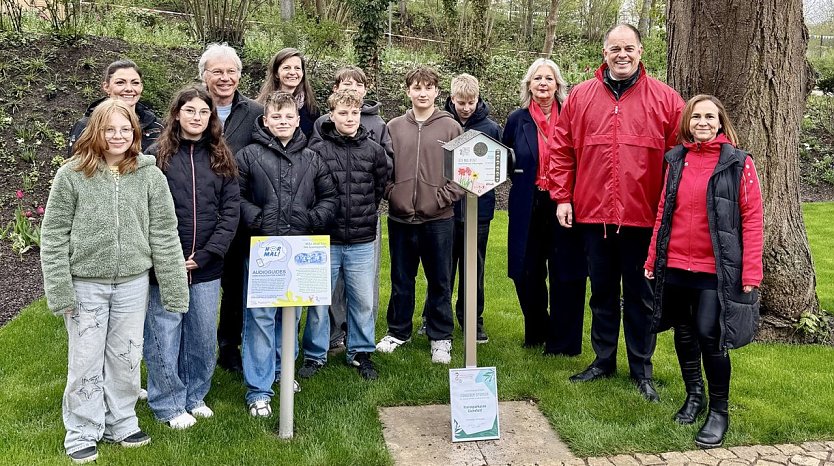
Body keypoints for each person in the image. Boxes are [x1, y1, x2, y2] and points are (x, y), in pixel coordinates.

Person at [40, 99, 189, 464]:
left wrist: (174, 287)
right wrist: (60, 288)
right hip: (85, 284)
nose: (118, 136)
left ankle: (121, 421)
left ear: (135, 133)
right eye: (110, 130)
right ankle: (82, 429)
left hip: (132, 284)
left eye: (125, 129)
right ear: (96, 132)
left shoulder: (150, 176)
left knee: (126, 356)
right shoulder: (72, 175)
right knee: (86, 358)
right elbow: (54, 234)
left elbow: (164, 233)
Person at [548, 24, 685, 401]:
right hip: (594, 215)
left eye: (628, 48)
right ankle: (603, 360)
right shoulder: (580, 96)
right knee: (602, 293)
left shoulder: (666, 100)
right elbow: (562, 149)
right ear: (604, 53)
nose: (621, 55)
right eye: (615, 49)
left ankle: (642, 369)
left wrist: (670, 209)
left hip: (644, 216)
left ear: (640, 52)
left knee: (641, 296)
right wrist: (563, 197)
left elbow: (679, 158)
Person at [644, 94, 763, 448]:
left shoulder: (738, 163)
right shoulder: (675, 160)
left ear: (720, 122)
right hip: (677, 264)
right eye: (696, 117)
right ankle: (693, 396)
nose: (703, 123)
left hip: (716, 269)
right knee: (683, 333)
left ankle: (719, 411)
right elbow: (664, 211)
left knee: (710, 335)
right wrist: (652, 259)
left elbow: (752, 218)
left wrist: (751, 271)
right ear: (688, 123)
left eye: (710, 117)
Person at [142, 85, 240, 429]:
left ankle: (195, 395)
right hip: (166, 265)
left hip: (207, 265)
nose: (197, 117)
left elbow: (231, 210)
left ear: (211, 117)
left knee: (201, 336)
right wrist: (166, 256)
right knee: (164, 336)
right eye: (190, 110)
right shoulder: (156, 156)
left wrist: (210, 252)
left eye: (203, 112)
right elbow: (145, 211)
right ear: (177, 114)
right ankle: (167, 403)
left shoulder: (221, 156)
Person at [236, 92, 338, 416]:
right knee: (261, 319)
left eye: (288, 116)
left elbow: (329, 197)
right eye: (276, 117)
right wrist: (257, 219)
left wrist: (312, 219)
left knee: (289, 316)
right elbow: (235, 197)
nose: (283, 121)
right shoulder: (248, 156)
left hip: (299, 248)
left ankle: (284, 370)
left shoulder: (312, 158)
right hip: (263, 251)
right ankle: (259, 390)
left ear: (297, 121)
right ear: (266, 121)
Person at [376, 66, 463, 364]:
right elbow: (383, 168)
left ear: (437, 91)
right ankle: (398, 331)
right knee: (402, 278)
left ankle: (440, 336)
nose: (422, 93)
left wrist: (441, 198)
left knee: (439, 280)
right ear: (408, 91)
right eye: (416, 87)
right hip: (400, 218)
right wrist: (393, 193)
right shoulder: (394, 126)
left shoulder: (450, 127)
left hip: (438, 219)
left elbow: (462, 173)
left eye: (428, 87)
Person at [502, 60, 588, 354]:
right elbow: (506, 160)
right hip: (528, 202)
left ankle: (564, 342)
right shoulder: (517, 119)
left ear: (557, 85)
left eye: (548, 79)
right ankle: (538, 330)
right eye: (537, 78)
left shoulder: (572, 117)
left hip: (565, 203)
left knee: (567, 271)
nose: (542, 83)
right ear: (529, 84)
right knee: (526, 271)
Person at [308, 65, 393, 355]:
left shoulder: (373, 150)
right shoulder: (317, 150)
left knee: (363, 300)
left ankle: (361, 351)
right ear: (331, 116)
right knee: (321, 300)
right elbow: (311, 190)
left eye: (354, 113)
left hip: (361, 238)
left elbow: (379, 185)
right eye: (343, 113)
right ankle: (316, 353)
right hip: (327, 237)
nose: (349, 118)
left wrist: (363, 210)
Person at [198, 43, 264, 374]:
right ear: (204, 75)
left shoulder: (255, 112)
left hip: (238, 214)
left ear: (239, 75)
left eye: (231, 71)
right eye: (217, 72)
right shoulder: (192, 106)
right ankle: (196, 346)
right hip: (197, 211)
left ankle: (228, 345)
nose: (225, 78)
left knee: (236, 286)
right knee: (198, 284)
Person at [442, 73, 503, 344]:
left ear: (478, 99)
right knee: (443, 267)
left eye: (471, 102)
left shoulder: (491, 128)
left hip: (479, 210)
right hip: (445, 209)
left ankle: (472, 320)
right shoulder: (441, 124)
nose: (466, 108)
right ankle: (436, 316)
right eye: (461, 102)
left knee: (473, 268)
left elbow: (499, 164)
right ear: (452, 99)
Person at [67, 59, 162, 155]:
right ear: (106, 87)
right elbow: (76, 162)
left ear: (141, 87)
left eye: (135, 83)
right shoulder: (86, 126)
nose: (129, 89)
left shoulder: (157, 126)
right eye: (120, 82)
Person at [256, 48, 320, 138]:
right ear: (276, 73)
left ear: (302, 73)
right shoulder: (259, 108)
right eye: (286, 68)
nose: (293, 72)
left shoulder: (312, 111)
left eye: (297, 68)